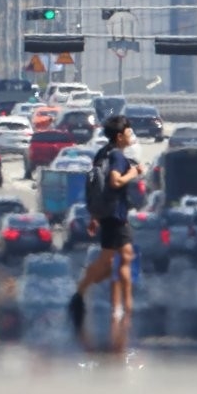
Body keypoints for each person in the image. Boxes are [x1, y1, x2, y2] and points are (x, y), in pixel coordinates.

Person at [68, 115, 144, 331]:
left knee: (116, 259)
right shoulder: (118, 157)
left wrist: (95, 215)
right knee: (115, 259)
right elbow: (114, 181)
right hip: (116, 214)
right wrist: (134, 172)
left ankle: (118, 306)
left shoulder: (101, 154)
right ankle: (85, 294)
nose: (131, 136)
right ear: (120, 136)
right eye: (129, 132)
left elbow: (96, 187)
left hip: (107, 213)